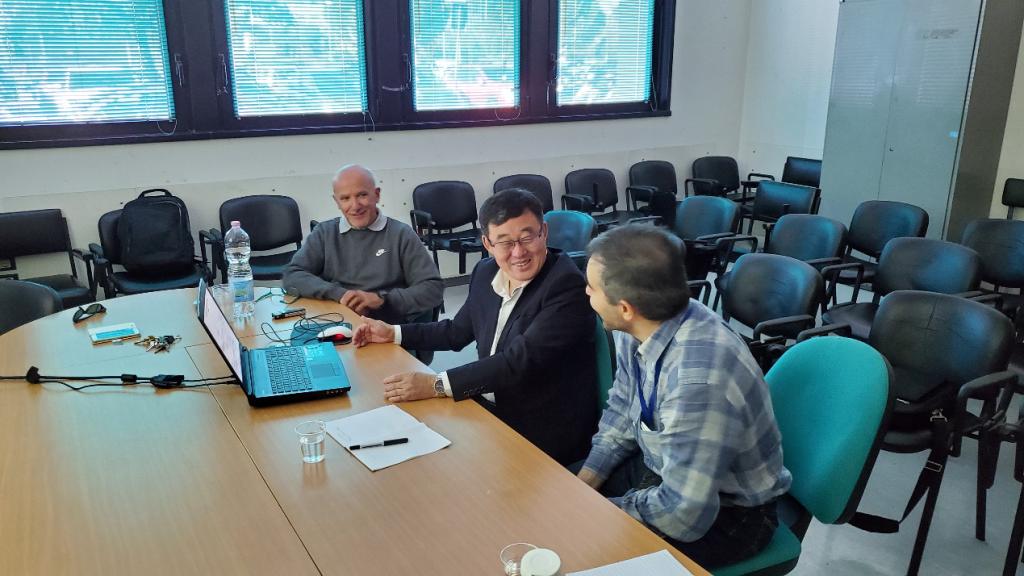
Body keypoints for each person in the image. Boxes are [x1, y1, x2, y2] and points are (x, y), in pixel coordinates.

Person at [577, 225, 791, 569]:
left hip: (731, 514)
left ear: (626, 307)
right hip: (666, 470)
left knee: (586, 555)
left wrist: (600, 512)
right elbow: (622, 407)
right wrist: (585, 482)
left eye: (592, 287)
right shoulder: (642, 322)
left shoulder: (697, 382)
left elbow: (684, 515)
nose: (586, 291)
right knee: (560, 505)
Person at [352, 188, 598, 465]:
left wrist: (435, 384)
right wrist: (393, 332)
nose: (518, 252)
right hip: (489, 407)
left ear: (544, 233)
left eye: (527, 237)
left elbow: (518, 362)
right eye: (504, 242)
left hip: (540, 428)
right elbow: (456, 332)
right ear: (487, 244)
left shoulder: (566, 286)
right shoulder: (486, 271)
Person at [282, 165, 443, 325]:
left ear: (377, 195)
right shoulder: (324, 232)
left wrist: (382, 300)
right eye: (345, 198)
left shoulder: (401, 234)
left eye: (362, 195)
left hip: (388, 327)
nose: (355, 206)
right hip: (338, 323)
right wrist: (340, 294)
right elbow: (293, 274)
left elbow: (432, 288)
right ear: (336, 201)